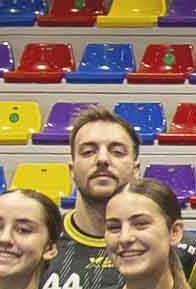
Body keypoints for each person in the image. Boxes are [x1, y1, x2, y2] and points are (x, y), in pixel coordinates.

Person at [54, 103, 146, 279]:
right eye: (88, 152)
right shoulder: (41, 243)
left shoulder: (176, 250)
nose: (102, 159)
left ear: (136, 170)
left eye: (117, 152)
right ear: (71, 170)